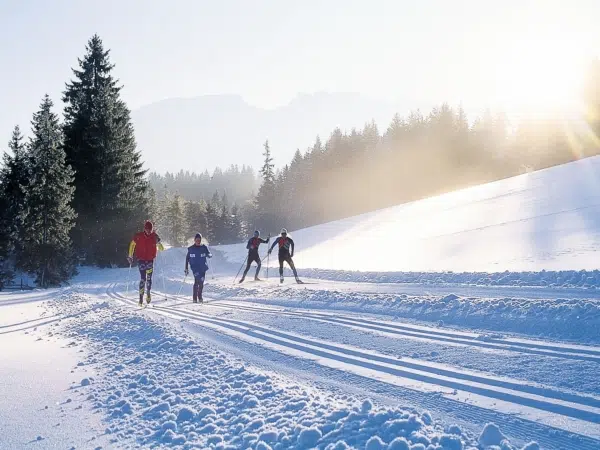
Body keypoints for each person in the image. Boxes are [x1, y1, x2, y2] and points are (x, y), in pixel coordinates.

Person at [128, 220, 164, 305]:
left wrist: (158, 243)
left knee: (148, 279)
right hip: (141, 260)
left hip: (150, 260)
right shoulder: (138, 236)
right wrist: (130, 255)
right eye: (147, 229)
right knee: (143, 278)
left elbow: (162, 249)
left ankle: (148, 292)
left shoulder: (154, 236)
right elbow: (132, 244)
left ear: (152, 229)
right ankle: (140, 298)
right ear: (144, 229)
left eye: (150, 229)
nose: (148, 231)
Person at [185, 233, 212, 303]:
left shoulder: (204, 247)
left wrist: (209, 255)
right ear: (194, 240)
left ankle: (199, 296)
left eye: (199, 240)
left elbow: (209, 253)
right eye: (197, 240)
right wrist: (186, 268)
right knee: (197, 281)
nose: (198, 241)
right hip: (195, 268)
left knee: (201, 282)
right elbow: (187, 259)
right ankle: (195, 298)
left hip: (203, 268)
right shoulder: (191, 249)